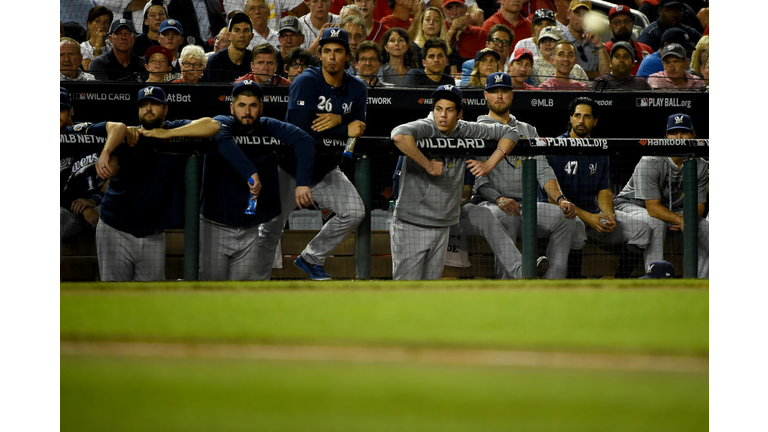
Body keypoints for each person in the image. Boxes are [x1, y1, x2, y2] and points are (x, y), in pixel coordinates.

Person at [255, 28, 368, 281]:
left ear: (347, 56)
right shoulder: (306, 81)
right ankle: (256, 283)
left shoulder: (357, 88)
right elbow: (299, 132)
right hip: (288, 167)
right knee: (271, 229)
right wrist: (343, 127)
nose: (332, 57)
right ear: (320, 54)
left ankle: (311, 257)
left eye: (338, 51)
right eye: (327, 51)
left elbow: (357, 129)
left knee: (354, 211)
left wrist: (341, 119)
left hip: (325, 168)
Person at [389, 84, 521, 280]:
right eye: (438, 109)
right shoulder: (426, 126)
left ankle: (521, 271)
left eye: (449, 110)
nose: (443, 115)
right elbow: (398, 136)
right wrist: (428, 165)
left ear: (459, 113)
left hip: (443, 223)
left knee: (429, 292)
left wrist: (488, 165)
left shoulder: (465, 129)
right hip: (412, 223)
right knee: (405, 291)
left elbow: (512, 133)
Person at [93, 86, 221, 281]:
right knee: (114, 296)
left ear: (165, 109)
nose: (148, 108)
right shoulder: (127, 135)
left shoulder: (175, 129)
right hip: (115, 228)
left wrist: (167, 134)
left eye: (154, 104)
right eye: (143, 105)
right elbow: (113, 130)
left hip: (153, 232)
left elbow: (212, 125)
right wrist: (113, 147)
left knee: (150, 298)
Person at [199, 80, 315, 280]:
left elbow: (305, 140)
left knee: (244, 292)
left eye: (253, 106)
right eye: (242, 105)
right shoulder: (222, 122)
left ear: (261, 108)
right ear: (232, 107)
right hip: (215, 226)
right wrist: (250, 172)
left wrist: (302, 183)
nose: (247, 111)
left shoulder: (268, 125)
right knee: (210, 290)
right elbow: (220, 137)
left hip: (250, 228)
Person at [473, 72, 584, 279]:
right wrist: (498, 198)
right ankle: (507, 287)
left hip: (527, 206)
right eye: (494, 91)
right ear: (485, 96)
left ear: (512, 94)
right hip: (492, 205)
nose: (499, 96)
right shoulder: (476, 130)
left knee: (567, 218)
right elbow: (478, 180)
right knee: (508, 216)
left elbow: (543, 170)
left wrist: (560, 199)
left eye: (504, 91)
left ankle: (552, 284)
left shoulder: (527, 129)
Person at [542, 97, 651, 279]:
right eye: (577, 115)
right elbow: (553, 198)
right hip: (562, 214)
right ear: (570, 118)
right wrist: (589, 218)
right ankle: (574, 283)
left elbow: (603, 191)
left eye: (587, 117)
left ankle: (619, 282)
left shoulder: (600, 149)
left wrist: (608, 215)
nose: (581, 121)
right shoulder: (557, 147)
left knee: (641, 229)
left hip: (592, 213)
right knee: (575, 226)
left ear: (595, 121)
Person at [614, 113, 708, 279]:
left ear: (693, 135)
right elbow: (653, 208)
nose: (678, 138)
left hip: (673, 210)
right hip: (633, 205)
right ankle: (655, 279)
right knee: (656, 223)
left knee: (705, 228)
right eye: (673, 133)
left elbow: (698, 206)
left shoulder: (700, 165)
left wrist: (687, 219)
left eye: (684, 132)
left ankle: (700, 284)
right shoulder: (651, 160)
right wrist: (680, 220)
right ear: (666, 136)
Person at [60, 88, 125, 240]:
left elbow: (118, 127)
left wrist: (106, 152)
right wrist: (83, 210)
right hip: (66, 208)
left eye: (60, 110)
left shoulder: (82, 130)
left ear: (71, 111)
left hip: (99, 204)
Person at [562, 0, 609, 79]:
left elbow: (606, 74)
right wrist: (595, 74)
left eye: (585, 15)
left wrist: (600, 45)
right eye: (577, 13)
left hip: (594, 89)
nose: (581, 18)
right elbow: (563, 73)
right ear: (568, 14)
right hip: (569, 89)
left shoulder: (595, 41)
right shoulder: (560, 39)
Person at [203, 12, 255, 82]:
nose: (241, 35)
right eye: (237, 31)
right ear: (229, 36)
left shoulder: (254, 59)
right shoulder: (215, 61)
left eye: (246, 31)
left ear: (251, 36)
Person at [603, 5, 654, 77]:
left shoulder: (646, 49)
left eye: (627, 21)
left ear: (632, 24)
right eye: (617, 22)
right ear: (610, 27)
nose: (623, 25)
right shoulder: (604, 50)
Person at [411, 6, 461, 75]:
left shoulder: (449, 48)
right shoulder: (412, 48)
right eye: (428, 19)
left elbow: (453, 75)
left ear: (440, 26)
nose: (431, 23)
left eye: (436, 20)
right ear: (422, 25)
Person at [637, 0, 701, 52]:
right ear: (660, 11)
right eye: (669, 10)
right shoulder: (650, 34)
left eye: (678, 10)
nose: (674, 14)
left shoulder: (690, 32)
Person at [80, 6, 113, 71]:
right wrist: (98, 45)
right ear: (89, 24)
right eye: (98, 21)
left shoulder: (113, 47)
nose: (102, 25)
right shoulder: (82, 48)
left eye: (106, 22)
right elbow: (90, 70)